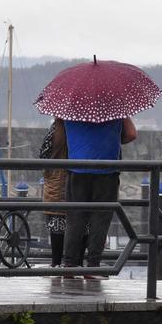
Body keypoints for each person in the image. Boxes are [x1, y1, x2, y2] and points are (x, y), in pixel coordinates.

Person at [62, 116, 137, 272]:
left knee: (75, 220)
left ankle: (69, 265)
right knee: (100, 220)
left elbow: (63, 132)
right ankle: (93, 266)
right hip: (106, 169)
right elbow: (131, 134)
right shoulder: (114, 106)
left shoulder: (70, 107)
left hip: (77, 168)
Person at [39, 118, 68, 266]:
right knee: (79, 224)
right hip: (75, 180)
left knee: (56, 224)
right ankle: (74, 264)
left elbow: (43, 154)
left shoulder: (57, 128)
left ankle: (56, 264)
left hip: (56, 180)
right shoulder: (80, 127)